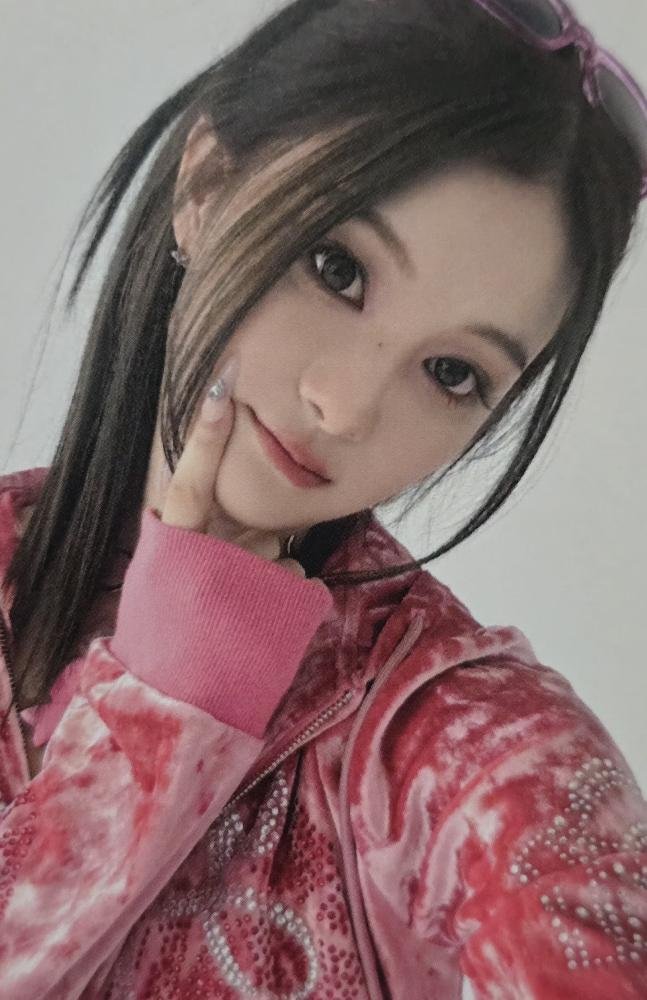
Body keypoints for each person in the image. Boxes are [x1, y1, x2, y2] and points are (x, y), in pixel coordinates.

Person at [1, 0, 646, 996]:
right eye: (336, 268)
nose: (343, 407)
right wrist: (170, 698)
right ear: (207, 186)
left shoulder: (466, 739)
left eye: (451, 372)